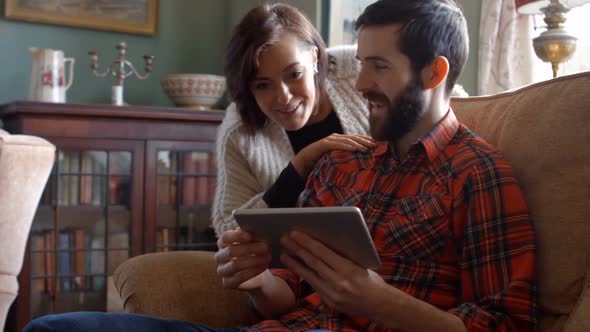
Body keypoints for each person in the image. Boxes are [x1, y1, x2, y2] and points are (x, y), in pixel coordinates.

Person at [24, 1, 536, 331]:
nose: (358, 84)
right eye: (360, 65)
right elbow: (285, 289)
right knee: (53, 330)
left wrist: (379, 302)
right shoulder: (340, 166)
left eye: (377, 66)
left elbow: (507, 323)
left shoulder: (478, 174)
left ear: (434, 71)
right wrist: (257, 279)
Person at [212, 3, 374, 236]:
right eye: (263, 85)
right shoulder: (240, 130)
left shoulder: (358, 69)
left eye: (294, 74)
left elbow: (438, 87)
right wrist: (297, 169)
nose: (284, 97)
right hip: (294, 262)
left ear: (315, 57)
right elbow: (228, 228)